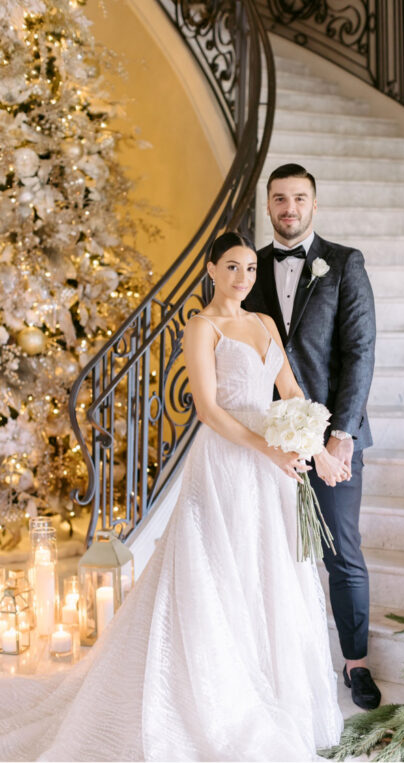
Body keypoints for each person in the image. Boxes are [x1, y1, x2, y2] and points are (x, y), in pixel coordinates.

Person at [0, 231, 342, 760]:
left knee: (268, 569)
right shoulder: (201, 328)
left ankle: (273, 689)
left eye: (250, 269)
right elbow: (207, 409)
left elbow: (291, 393)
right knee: (221, 568)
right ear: (210, 269)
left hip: (272, 462)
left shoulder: (265, 323)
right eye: (232, 267)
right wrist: (266, 448)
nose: (243, 278)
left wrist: (312, 448)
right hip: (228, 457)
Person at [242, 163, 379, 709]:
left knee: (342, 553)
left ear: (314, 205)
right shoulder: (248, 269)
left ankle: (356, 664)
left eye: (299, 198)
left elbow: (360, 351)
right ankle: (271, 662)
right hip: (267, 440)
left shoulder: (345, 263)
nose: (289, 208)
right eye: (279, 199)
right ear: (268, 206)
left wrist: (341, 433)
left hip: (332, 438)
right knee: (266, 552)